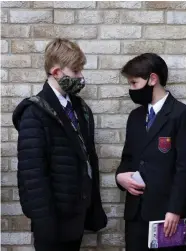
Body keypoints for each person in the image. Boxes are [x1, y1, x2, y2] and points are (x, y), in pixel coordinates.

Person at [12, 38, 107, 251]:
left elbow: (88, 160)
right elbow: (33, 175)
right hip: (52, 223)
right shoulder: (35, 114)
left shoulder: (79, 109)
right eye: (75, 71)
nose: (80, 76)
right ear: (56, 72)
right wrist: (46, 226)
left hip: (76, 218)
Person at [115, 53, 186, 251]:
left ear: (153, 79)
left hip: (167, 217)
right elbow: (128, 158)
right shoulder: (135, 117)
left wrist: (175, 209)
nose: (131, 89)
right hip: (136, 214)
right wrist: (120, 177)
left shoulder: (182, 115)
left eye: (134, 83)